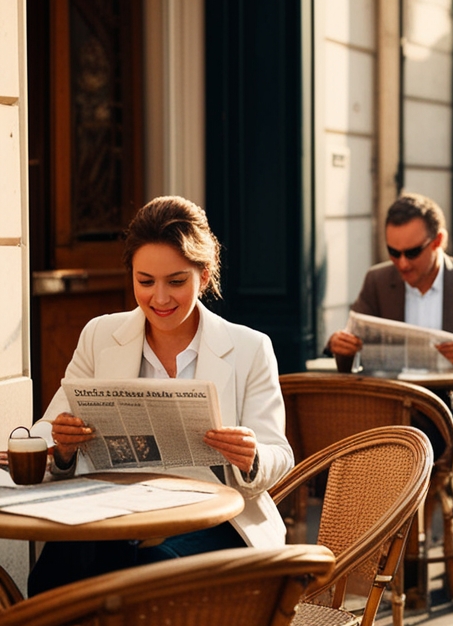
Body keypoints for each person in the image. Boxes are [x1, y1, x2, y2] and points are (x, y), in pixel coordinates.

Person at [30, 196, 294, 595]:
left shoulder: (250, 347)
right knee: (56, 570)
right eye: (145, 281)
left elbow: (280, 452)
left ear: (203, 277)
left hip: (213, 520)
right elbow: (48, 433)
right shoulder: (100, 335)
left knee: (150, 570)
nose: (160, 298)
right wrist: (63, 447)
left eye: (176, 281)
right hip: (116, 514)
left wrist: (252, 455)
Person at [327, 192, 453, 608]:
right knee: (365, 457)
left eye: (412, 251)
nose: (402, 263)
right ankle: (380, 575)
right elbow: (352, 346)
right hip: (401, 406)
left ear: (439, 241)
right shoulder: (380, 280)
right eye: (393, 251)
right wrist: (343, 347)